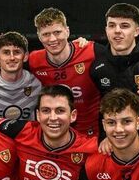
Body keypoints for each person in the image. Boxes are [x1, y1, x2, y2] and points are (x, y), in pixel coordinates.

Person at [28, 8, 105, 136]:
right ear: (39, 36)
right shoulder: (34, 60)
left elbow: (121, 60)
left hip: (92, 134)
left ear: (67, 31)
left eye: (57, 32)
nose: (52, 39)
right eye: (46, 34)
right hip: (55, 133)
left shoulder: (92, 51)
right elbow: (7, 66)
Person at [90, 3, 139, 92]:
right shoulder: (96, 65)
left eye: (124, 26)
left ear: (136, 31)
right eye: (112, 25)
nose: (117, 31)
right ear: (106, 30)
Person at [0, 32, 41, 120]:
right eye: (6, 52)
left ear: (26, 56)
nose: (12, 58)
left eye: (17, 52)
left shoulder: (36, 83)